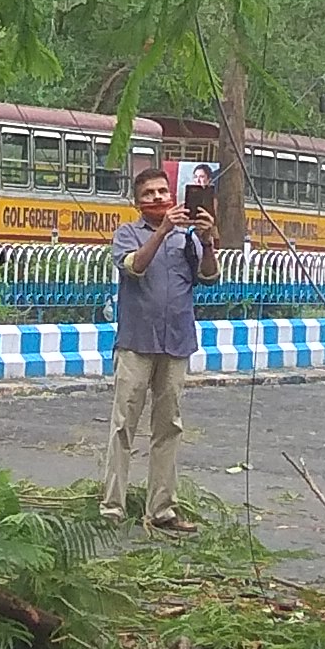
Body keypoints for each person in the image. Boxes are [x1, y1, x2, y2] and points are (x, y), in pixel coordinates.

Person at [99, 162, 212, 527]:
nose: (157, 198)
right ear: (138, 202)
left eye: (162, 192)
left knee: (169, 426)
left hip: (176, 341)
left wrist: (208, 239)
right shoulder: (128, 234)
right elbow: (135, 266)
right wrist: (162, 231)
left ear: (172, 195)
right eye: (149, 194)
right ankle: (112, 507)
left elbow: (209, 276)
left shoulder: (189, 239)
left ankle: (161, 509)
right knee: (123, 426)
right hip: (136, 342)